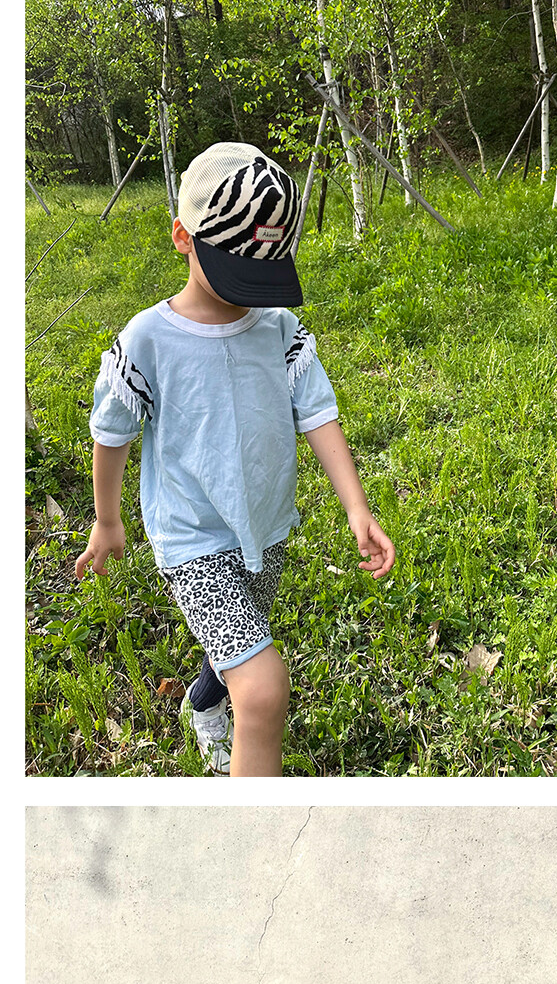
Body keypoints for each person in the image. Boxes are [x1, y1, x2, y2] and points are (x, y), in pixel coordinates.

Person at [76, 142, 394, 780]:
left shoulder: (277, 329)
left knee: (239, 639)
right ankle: (251, 826)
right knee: (263, 686)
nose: (250, 297)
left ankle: (206, 697)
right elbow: (111, 431)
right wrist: (107, 520)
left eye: (263, 278)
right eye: (237, 276)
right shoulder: (148, 339)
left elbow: (316, 411)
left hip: (265, 525)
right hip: (192, 538)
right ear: (183, 238)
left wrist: (357, 507)